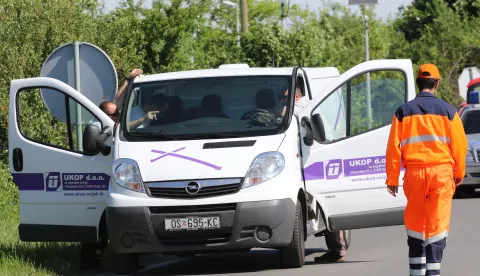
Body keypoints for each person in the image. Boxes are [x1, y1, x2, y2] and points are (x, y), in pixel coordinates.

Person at [385, 64, 467, 276]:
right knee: (437, 224)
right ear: (437, 84)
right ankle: (433, 272)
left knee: (415, 224)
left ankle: (416, 272)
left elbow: (393, 148)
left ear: (417, 83)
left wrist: (392, 178)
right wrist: (458, 174)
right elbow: (460, 146)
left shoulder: (403, 112)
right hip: (441, 174)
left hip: (414, 175)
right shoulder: (449, 111)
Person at [281, 86, 351, 263]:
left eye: (285, 98)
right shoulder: (309, 105)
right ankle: (337, 249)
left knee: (327, 203)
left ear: (296, 97)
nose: (283, 102)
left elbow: (285, 115)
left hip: (318, 163)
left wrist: (280, 107)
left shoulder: (302, 105)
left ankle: (339, 250)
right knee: (325, 203)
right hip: (319, 160)